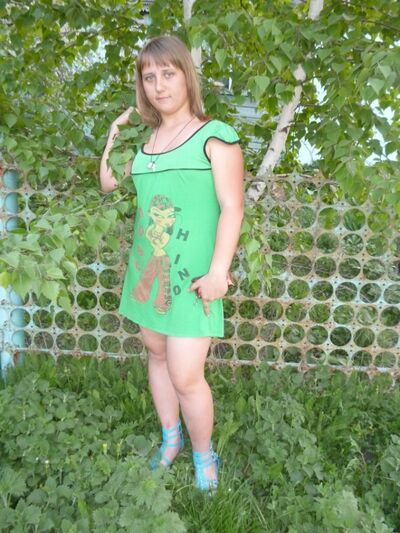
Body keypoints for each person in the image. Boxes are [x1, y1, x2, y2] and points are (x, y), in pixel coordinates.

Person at [99, 35, 244, 491]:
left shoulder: (214, 137)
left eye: (168, 73)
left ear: (186, 76)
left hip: (193, 279)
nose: (159, 85)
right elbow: (108, 183)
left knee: (186, 374)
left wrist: (219, 271)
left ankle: (204, 455)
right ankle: (171, 438)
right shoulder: (144, 142)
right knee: (157, 356)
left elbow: (233, 207)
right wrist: (115, 135)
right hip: (149, 273)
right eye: (149, 77)